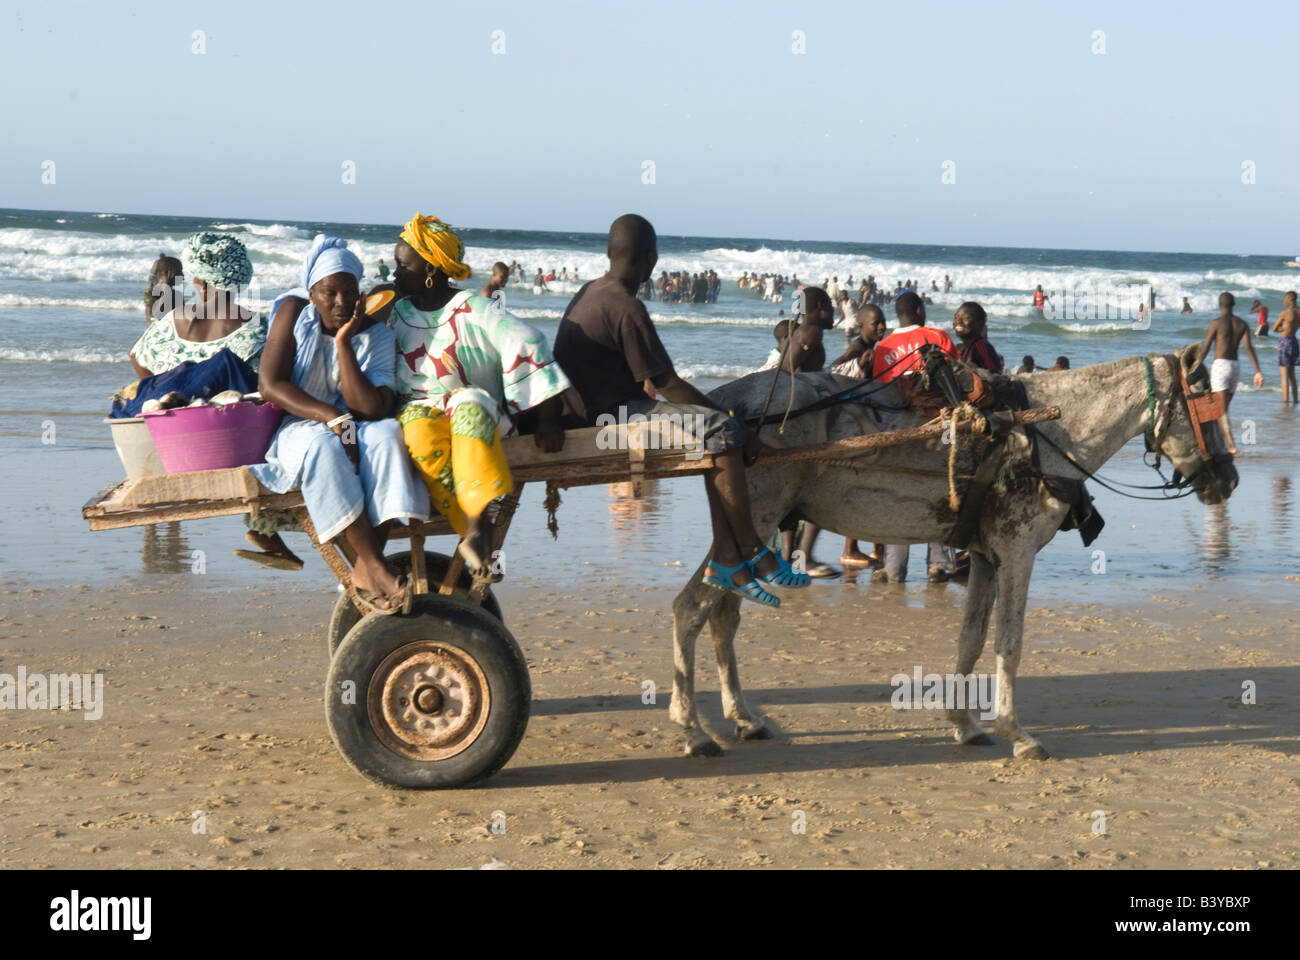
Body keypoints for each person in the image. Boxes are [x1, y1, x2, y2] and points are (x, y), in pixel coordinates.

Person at [554, 214, 809, 607]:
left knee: (714, 428)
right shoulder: (626, 306)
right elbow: (669, 382)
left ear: (609, 253)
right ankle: (753, 552)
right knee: (723, 434)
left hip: (591, 408)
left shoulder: (591, 291)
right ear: (651, 259)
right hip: (612, 418)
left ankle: (727, 560)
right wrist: (730, 422)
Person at [253, 235, 430, 614]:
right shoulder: (292, 314)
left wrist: (344, 345)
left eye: (349, 292)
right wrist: (332, 418)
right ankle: (373, 567)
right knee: (325, 446)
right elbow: (269, 385)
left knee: (387, 435)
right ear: (312, 293)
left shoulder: (377, 335)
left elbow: (370, 408)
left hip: (359, 423)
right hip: (300, 424)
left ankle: (366, 569)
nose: (340, 303)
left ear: (360, 293)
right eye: (328, 293)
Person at [390, 214, 569, 573]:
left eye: (402, 266)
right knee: (419, 433)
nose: (393, 275)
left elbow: (528, 339)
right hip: (417, 416)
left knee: (467, 401)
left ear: (429, 269)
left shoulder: (474, 309)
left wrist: (549, 419)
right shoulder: (395, 312)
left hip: (478, 418)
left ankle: (476, 527)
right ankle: (478, 530)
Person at [871, 292, 959, 583]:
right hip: (943, 425)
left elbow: (880, 393)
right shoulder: (937, 337)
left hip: (899, 429)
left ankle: (895, 568)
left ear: (899, 314)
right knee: (946, 485)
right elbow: (956, 378)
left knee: (900, 492)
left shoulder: (883, 347)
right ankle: (939, 565)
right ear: (920, 310)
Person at [130, 233, 264, 378]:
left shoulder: (172, 320)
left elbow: (135, 354)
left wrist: (157, 390)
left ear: (204, 283)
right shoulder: (258, 325)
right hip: (232, 399)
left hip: (174, 398)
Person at [830, 304, 888, 570]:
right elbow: (832, 371)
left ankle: (878, 549)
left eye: (883, 322)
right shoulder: (858, 348)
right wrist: (858, 363)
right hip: (856, 423)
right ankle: (850, 549)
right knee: (861, 484)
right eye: (875, 323)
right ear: (861, 324)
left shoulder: (873, 348)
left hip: (868, 419)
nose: (880, 327)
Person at [1198, 292, 1265, 455]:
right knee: (1223, 409)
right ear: (1233, 304)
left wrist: (1195, 365)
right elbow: (1249, 348)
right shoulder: (1242, 324)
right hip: (1235, 367)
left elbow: (1206, 346)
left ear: (1220, 305)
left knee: (1221, 410)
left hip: (1220, 366)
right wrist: (1257, 371)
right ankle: (1217, 442)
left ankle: (1231, 444)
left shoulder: (1216, 323)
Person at [952, 300, 1002, 373]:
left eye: (966, 318)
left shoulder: (981, 346)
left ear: (979, 323)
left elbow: (995, 376)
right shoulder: (966, 348)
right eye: (956, 317)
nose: (958, 321)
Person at [1272, 291, 1299, 403]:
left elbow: (1274, 328)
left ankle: (1286, 401)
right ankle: (1296, 400)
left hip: (1284, 342)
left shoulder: (1285, 313)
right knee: (1292, 375)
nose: (1284, 301)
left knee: (1284, 375)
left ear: (1289, 299)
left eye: (1285, 298)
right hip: (1294, 342)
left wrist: (1281, 329)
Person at [143, 254, 183, 325]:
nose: (183, 275)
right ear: (166, 274)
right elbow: (154, 316)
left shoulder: (177, 295)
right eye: (179, 272)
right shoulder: (150, 293)